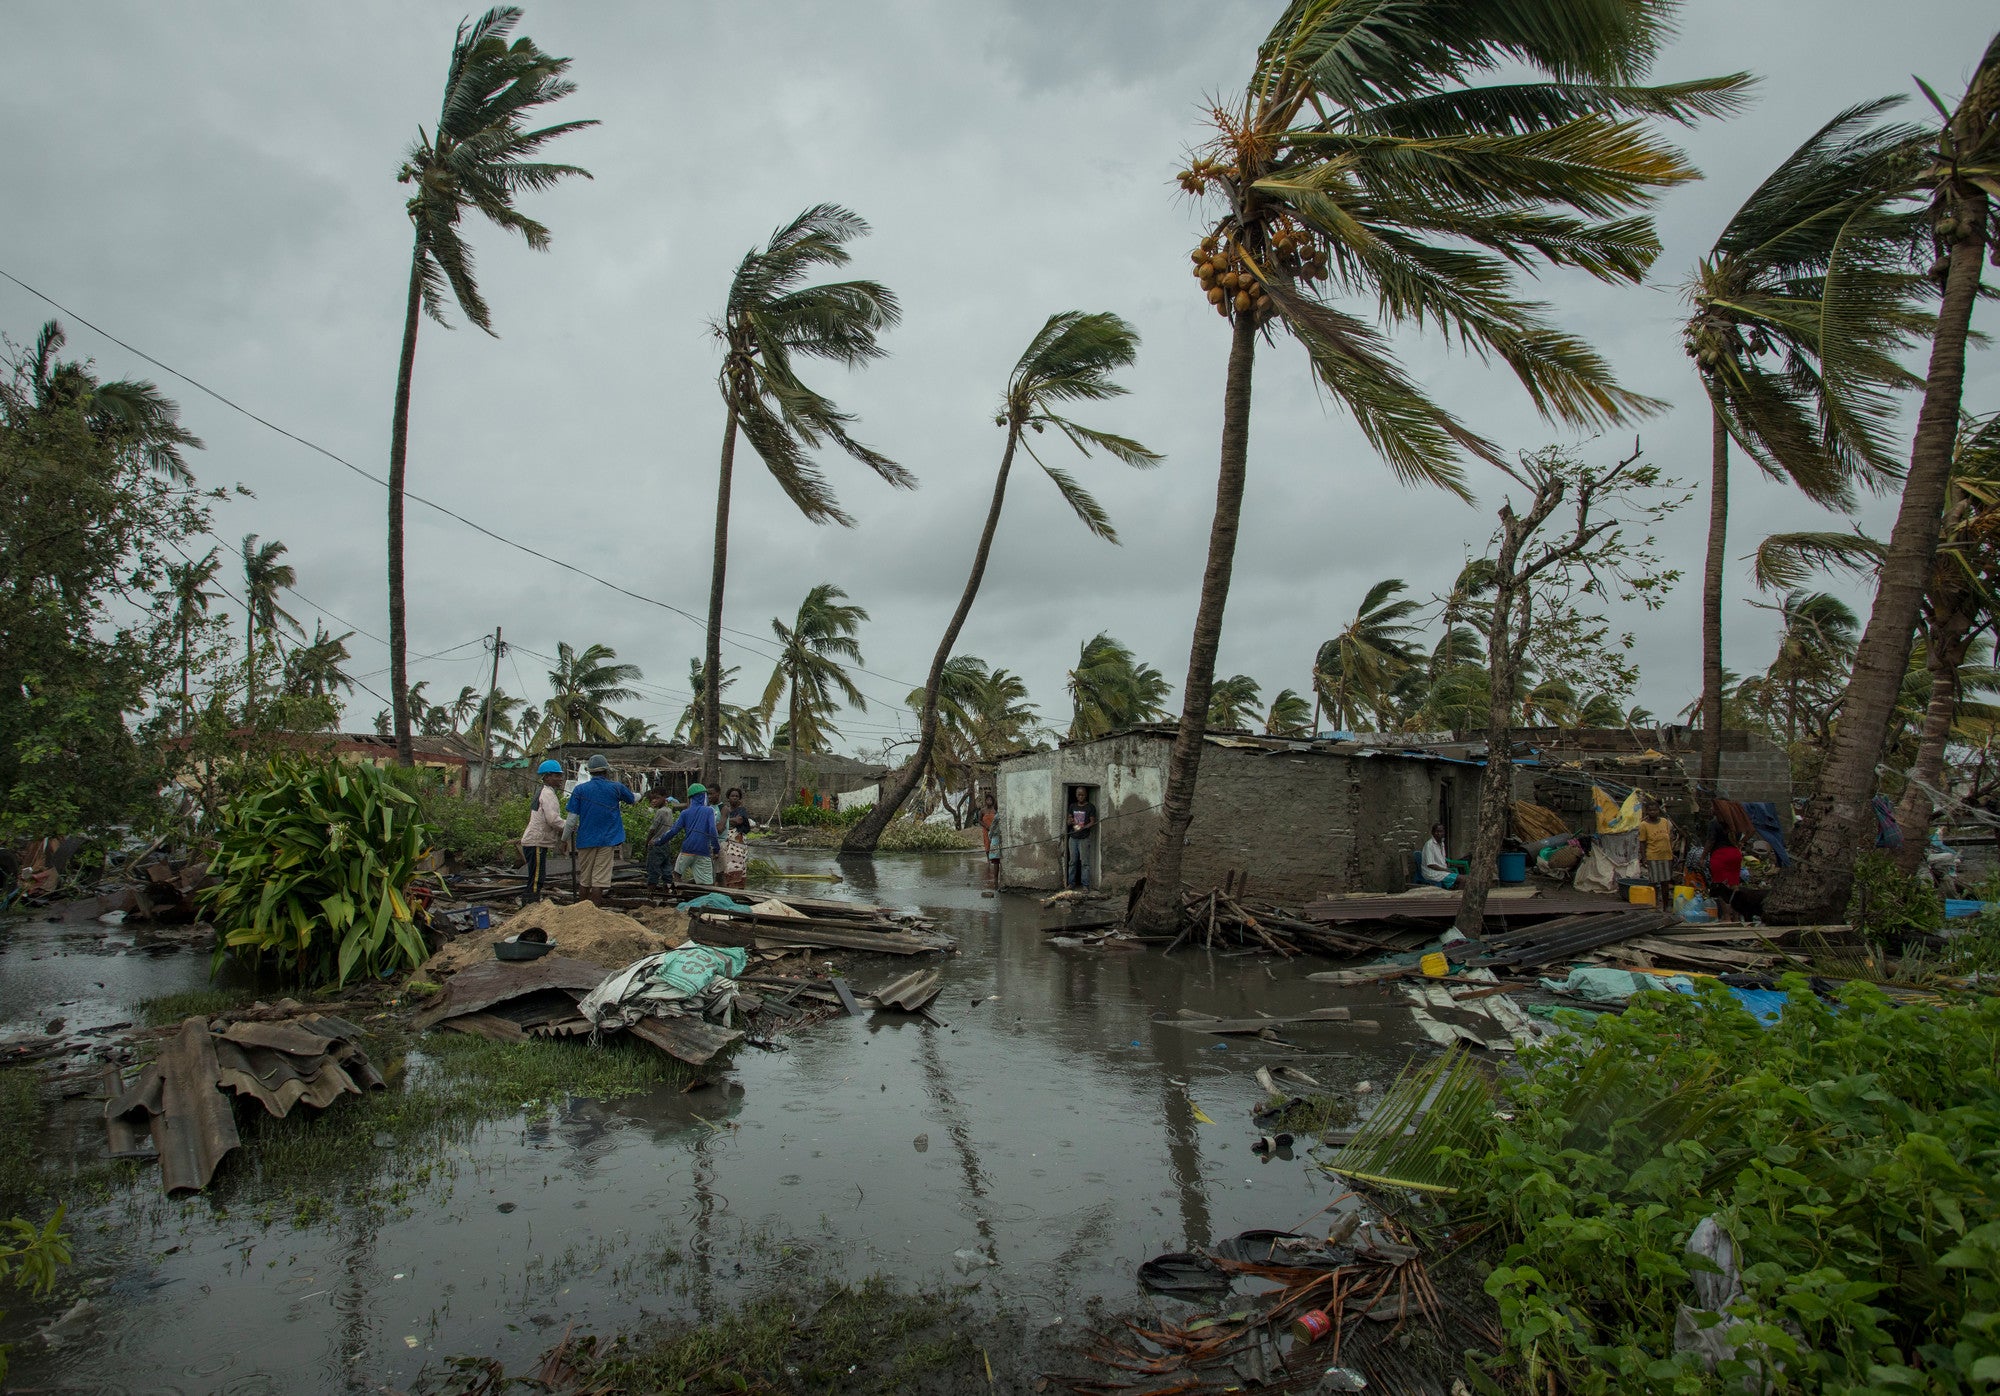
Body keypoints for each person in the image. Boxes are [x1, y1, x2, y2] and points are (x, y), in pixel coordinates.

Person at [568, 754, 637, 905]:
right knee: (599, 879)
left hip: (585, 840)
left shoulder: (580, 790)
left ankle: (580, 910)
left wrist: (564, 838)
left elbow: (571, 819)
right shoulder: (616, 787)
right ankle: (595, 911)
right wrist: (640, 795)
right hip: (607, 839)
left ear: (590, 772)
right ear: (606, 771)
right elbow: (632, 799)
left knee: (585, 879)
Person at [519, 759, 567, 901]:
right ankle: (531, 903)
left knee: (536, 876)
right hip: (536, 842)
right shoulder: (547, 794)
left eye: (560, 775)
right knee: (536, 879)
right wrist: (569, 825)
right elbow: (553, 820)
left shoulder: (545, 792)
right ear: (547, 777)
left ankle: (530, 902)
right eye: (557, 776)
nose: (560, 779)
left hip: (536, 841)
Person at [665, 782, 723, 885]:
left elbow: (673, 831)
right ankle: (701, 894)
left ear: (691, 798)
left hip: (687, 850)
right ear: (703, 796)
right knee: (706, 883)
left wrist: (659, 841)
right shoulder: (709, 811)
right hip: (703, 851)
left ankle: (678, 891)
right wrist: (716, 849)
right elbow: (712, 831)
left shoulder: (685, 813)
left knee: (677, 874)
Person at [1639, 799, 1676, 908]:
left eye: (1655, 810)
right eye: (1650, 810)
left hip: (1666, 856)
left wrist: (1671, 852)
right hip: (1653, 856)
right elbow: (1642, 842)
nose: (1653, 812)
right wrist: (1644, 858)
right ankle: (1652, 905)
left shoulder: (1664, 821)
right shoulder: (1643, 825)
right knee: (1653, 882)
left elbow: (1669, 838)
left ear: (1659, 810)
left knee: (1665, 882)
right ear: (1647, 811)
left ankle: (1665, 907)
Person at [1064, 786, 1098, 889]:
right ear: (1076, 795)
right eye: (1079, 795)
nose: (1081, 797)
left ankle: (1085, 885)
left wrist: (1083, 827)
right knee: (1072, 862)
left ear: (1086, 795)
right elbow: (1068, 821)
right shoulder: (1072, 806)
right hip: (1073, 838)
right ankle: (1071, 883)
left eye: (1082, 795)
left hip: (1084, 838)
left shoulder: (1090, 807)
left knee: (1084, 863)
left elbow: (1092, 822)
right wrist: (1070, 821)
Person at [642, 788, 677, 889]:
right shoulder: (669, 811)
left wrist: (647, 842)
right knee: (666, 868)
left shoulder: (660, 812)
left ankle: (651, 891)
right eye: (652, 799)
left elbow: (653, 829)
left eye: (657, 798)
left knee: (653, 869)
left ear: (664, 797)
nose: (654, 801)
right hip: (666, 844)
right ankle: (668, 890)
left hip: (656, 844)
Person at [1706, 831, 1744, 921]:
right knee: (1734, 885)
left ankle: (1727, 917)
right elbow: (1751, 830)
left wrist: (1703, 856)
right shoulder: (1736, 825)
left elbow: (1711, 840)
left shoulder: (1716, 824)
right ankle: (1736, 917)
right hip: (1735, 854)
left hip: (1720, 854)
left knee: (1721, 886)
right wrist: (1741, 842)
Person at [1419, 823, 1467, 888]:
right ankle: (1459, 894)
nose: (1439, 834)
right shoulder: (1429, 845)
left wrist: (1446, 869)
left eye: (1441, 831)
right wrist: (1446, 870)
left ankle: (1456, 891)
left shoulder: (1442, 843)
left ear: (1444, 832)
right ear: (1432, 833)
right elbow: (1430, 864)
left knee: (1465, 879)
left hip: (1441, 871)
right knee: (1463, 879)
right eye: (1437, 832)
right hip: (1432, 873)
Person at [978, 790, 1000, 884]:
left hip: (994, 831)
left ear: (993, 801)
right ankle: (988, 858)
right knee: (987, 844)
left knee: (993, 844)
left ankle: (993, 857)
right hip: (986, 830)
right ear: (985, 801)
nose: (989, 801)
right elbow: (979, 820)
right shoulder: (982, 811)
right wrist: (986, 826)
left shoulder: (995, 811)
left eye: (991, 800)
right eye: (988, 800)